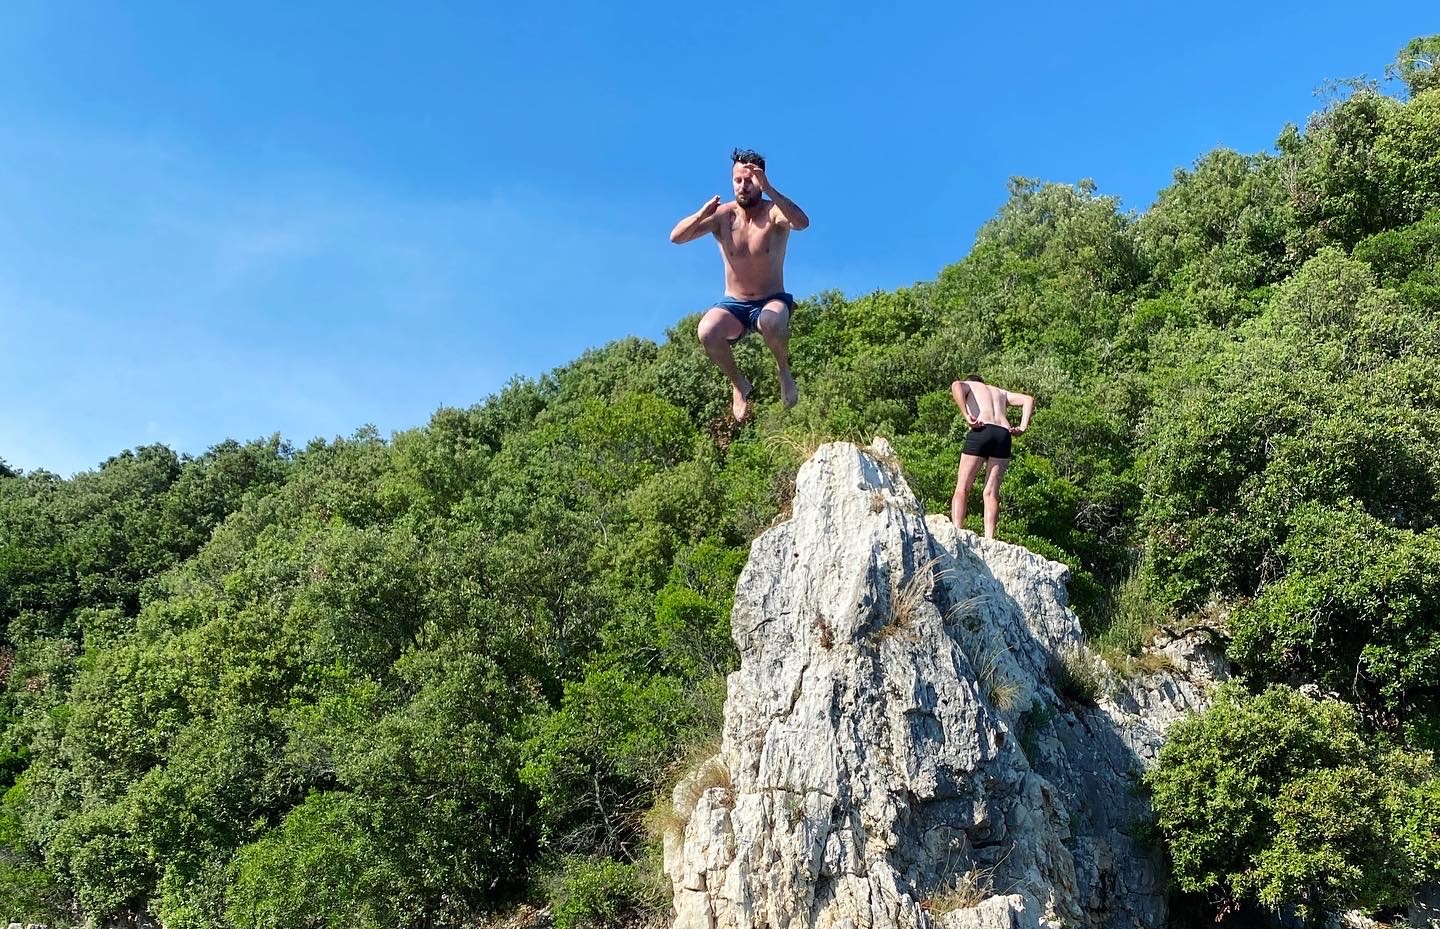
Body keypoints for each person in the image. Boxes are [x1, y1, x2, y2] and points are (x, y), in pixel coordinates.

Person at [670, 148, 810, 422]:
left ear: (759, 181)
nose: (742, 187)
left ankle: (783, 370)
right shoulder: (723, 216)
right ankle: (739, 384)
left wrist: (770, 188)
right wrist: (701, 214)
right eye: (737, 180)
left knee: (770, 322)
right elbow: (677, 237)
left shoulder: (773, 213)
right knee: (707, 331)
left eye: (749, 180)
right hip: (734, 304)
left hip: (770, 300)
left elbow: (802, 223)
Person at [950, 375, 1035, 539]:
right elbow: (1028, 399)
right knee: (991, 493)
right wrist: (1023, 427)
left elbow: (955, 385)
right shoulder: (1000, 392)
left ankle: (957, 531)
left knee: (962, 487)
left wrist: (966, 415)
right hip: (1003, 434)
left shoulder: (970, 386)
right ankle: (989, 537)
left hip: (982, 429)